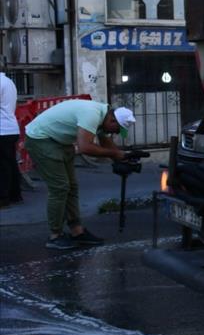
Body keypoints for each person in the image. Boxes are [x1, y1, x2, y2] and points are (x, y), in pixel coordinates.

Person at [22, 99, 136, 249]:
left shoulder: (104, 116)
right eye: (115, 130)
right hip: (41, 139)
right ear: (112, 120)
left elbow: (105, 141)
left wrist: (121, 158)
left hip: (59, 141)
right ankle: (55, 235)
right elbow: (85, 147)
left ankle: (77, 231)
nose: (113, 133)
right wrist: (116, 154)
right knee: (60, 187)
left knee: (72, 186)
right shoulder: (92, 115)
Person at [0, 70, 20, 208]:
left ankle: (3, 197)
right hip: (11, 127)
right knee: (10, 163)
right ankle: (15, 194)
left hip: (2, 129)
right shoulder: (9, 82)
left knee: (3, 166)